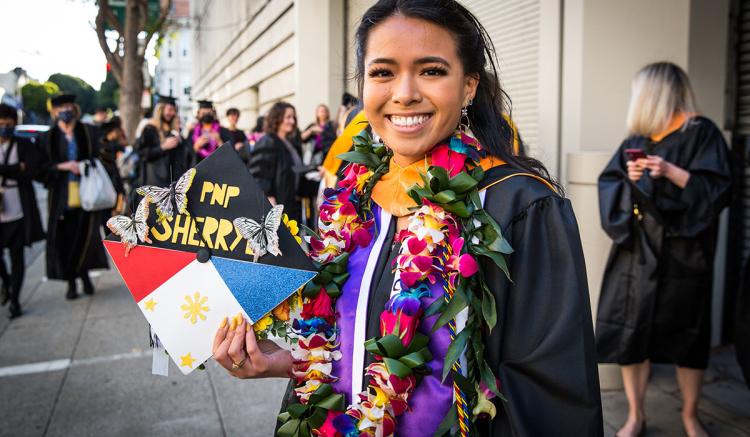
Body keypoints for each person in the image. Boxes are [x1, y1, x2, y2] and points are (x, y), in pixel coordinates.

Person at [213, 1, 603, 436]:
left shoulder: (517, 206)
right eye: (382, 72)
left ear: (469, 85)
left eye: (431, 71)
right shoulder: (355, 198)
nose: (404, 93)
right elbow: (348, 344)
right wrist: (280, 362)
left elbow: (551, 403)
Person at [596, 62, 731, 437]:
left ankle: (690, 416)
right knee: (631, 332)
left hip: (685, 251)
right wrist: (631, 178)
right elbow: (611, 184)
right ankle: (635, 415)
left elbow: (719, 190)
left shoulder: (701, 133)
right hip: (637, 253)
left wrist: (672, 172)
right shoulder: (638, 137)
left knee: (689, 334)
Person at [39, 94, 108, 300]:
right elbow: (40, 168)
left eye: (69, 107)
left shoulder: (88, 132)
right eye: (61, 108)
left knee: (85, 236)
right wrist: (62, 166)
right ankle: (71, 281)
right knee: (64, 240)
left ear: (75, 109)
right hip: (61, 197)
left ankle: (85, 275)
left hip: (86, 193)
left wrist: (85, 165)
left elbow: (102, 155)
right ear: (55, 112)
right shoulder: (48, 138)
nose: (65, 111)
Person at [0, 104, 45, 318]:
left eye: (8, 124)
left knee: (17, 255)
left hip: (18, 209)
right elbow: (22, 170)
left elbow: (32, 172)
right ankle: (7, 282)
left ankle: (15, 300)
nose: (4, 128)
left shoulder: (24, 144)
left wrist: (12, 171)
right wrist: (16, 168)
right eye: (1, 124)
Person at [246, 102, 303, 222]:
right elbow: (258, 175)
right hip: (275, 209)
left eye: (293, 117)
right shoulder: (268, 141)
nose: (292, 121)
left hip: (290, 206)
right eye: (288, 117)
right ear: (277, 118)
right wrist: (268, 200)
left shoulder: (289, 143)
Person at [135, 95, 188, 187]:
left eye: (174, 110)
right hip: (155, 181)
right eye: (170, 109)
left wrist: (180, 141)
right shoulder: (150, 128)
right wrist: (162, 147)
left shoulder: (174, 130)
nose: (172, 113)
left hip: (173, 181)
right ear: (161, 109)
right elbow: (141, 153)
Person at [98, 116, 126, 214]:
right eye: (117, 130)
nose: (119, 133)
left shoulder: (110, 144)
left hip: (111, 182)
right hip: (108, 184)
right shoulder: (105, 146)